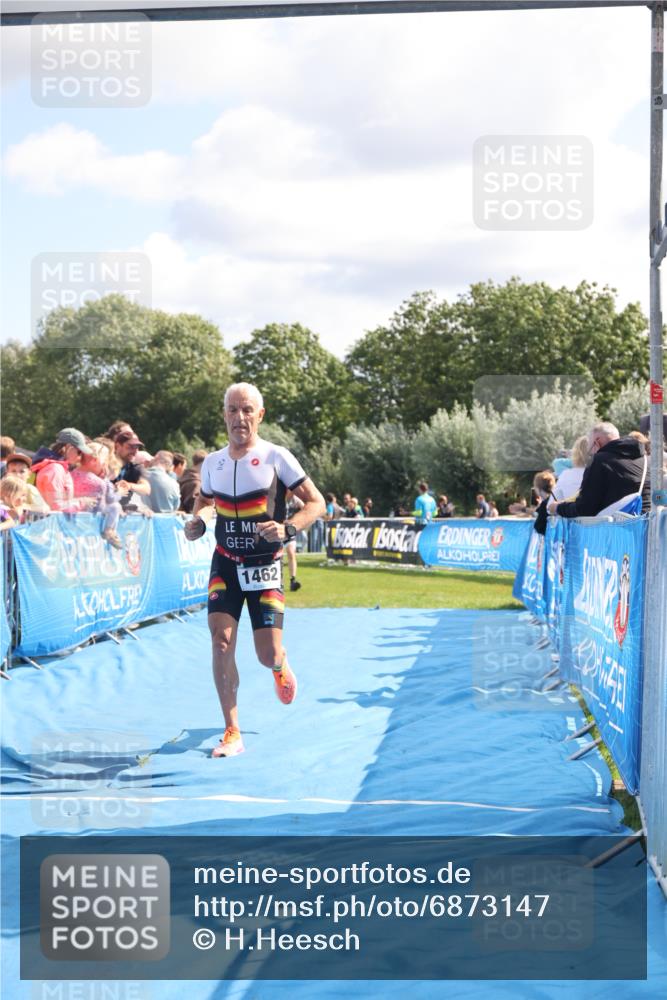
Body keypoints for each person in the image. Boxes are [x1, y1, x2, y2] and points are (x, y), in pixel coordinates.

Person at [184, 382, 325, 758]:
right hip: (225, 564)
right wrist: (198, 521)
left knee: (267, 654)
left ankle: (279, 664)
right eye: (232, 410)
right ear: (224, 415)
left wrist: (288, 528)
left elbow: (317, 503)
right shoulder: (213, 462)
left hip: (265, 567)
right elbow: (204, 501)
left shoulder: (278, 457)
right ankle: (231, 731)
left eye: (247, 410)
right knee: (221, 642)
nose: (239, 417)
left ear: (260, 415)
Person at [549, 422, 650, 518]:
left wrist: (558, 508)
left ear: (597, 442)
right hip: (647, 524)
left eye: (590, 450)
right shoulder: (645, 460)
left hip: (618, 527)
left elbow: (585, 508)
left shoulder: (600, 460)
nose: (591, 454)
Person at [71, 441, 124, 549]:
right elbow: (103, 504)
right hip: (90, 518)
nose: (105, 465)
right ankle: (109, 530)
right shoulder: (98, 482)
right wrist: (118, 491)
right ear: (95, 460)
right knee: (115, 506)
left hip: (72, 516)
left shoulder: (70, 474)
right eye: (105, 461)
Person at [32, 427, 93, 512]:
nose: (80, 458)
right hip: (49, 520)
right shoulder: (55, 469)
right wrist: (83, 502)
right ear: (67, 447)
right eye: (79, 452)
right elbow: (56, 506)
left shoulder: (57, 468)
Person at [113, 431, 152, 510]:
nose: (134, 451)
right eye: (130, 447)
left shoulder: (136, 468)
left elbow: (146, 489)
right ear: (117, 446)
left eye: (136, 447)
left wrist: (129, 485)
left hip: (123, 513)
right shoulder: (105, 465)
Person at [553, 435, 589, 502]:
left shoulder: (566, 474)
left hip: (569, 505)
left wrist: (574, 457)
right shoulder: (602, 473)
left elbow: (551, 506)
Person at [284, 490, 305, 592]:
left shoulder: (296, 500)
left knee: (291, 553)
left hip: (289, 530)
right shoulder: (278, 497)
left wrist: (297, 520)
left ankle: (293, 581)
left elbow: (306, 510)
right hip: (277, 529)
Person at [179, 450, 207, 514]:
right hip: (190, 517)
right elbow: (193, 506)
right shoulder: (196, 482)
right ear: (203, 464)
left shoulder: (184, 476)